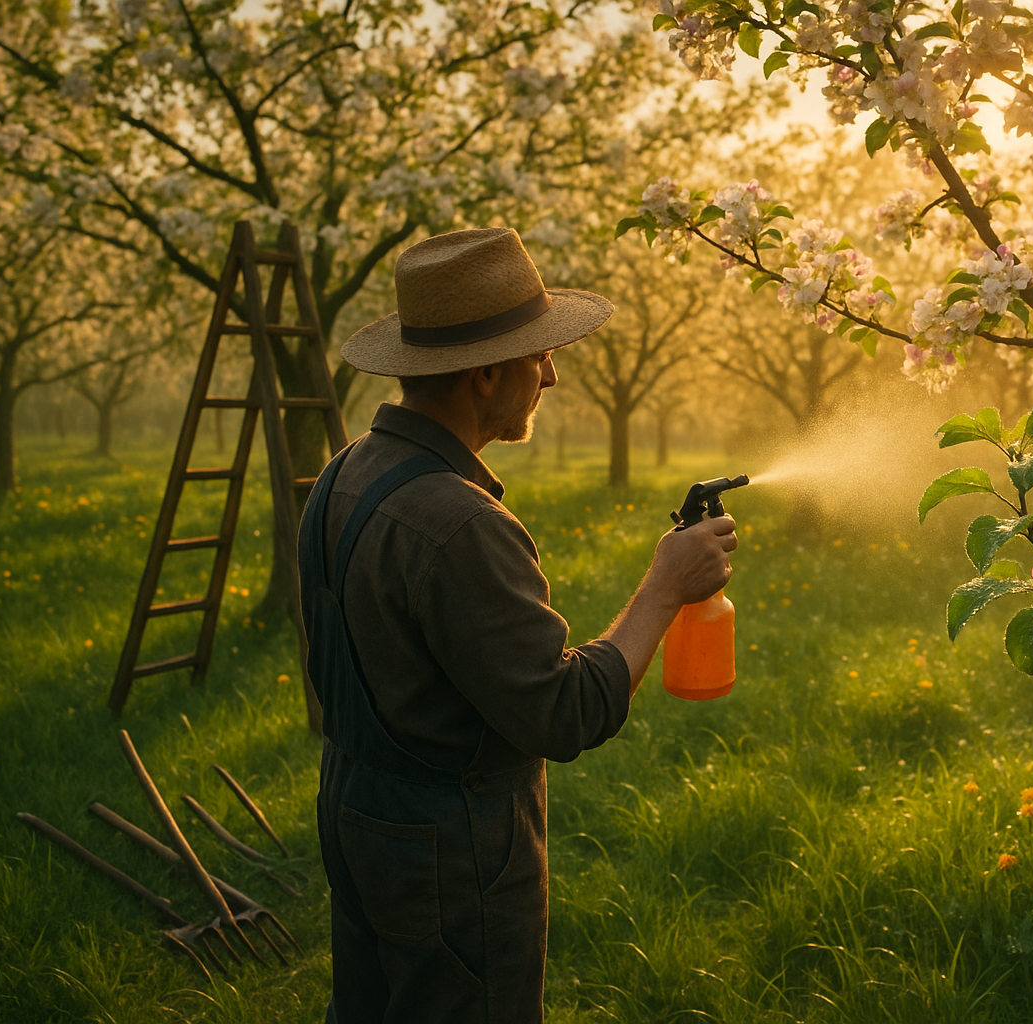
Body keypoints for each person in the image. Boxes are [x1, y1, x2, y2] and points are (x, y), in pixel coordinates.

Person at [299, 227, 736, 1023]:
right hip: (449, 843)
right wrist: (665, 588)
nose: (553, 374)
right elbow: (565, 713)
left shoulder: (343, 471)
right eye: (537, 356)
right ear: (488, 373)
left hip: (356, 807)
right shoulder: (460, 523)